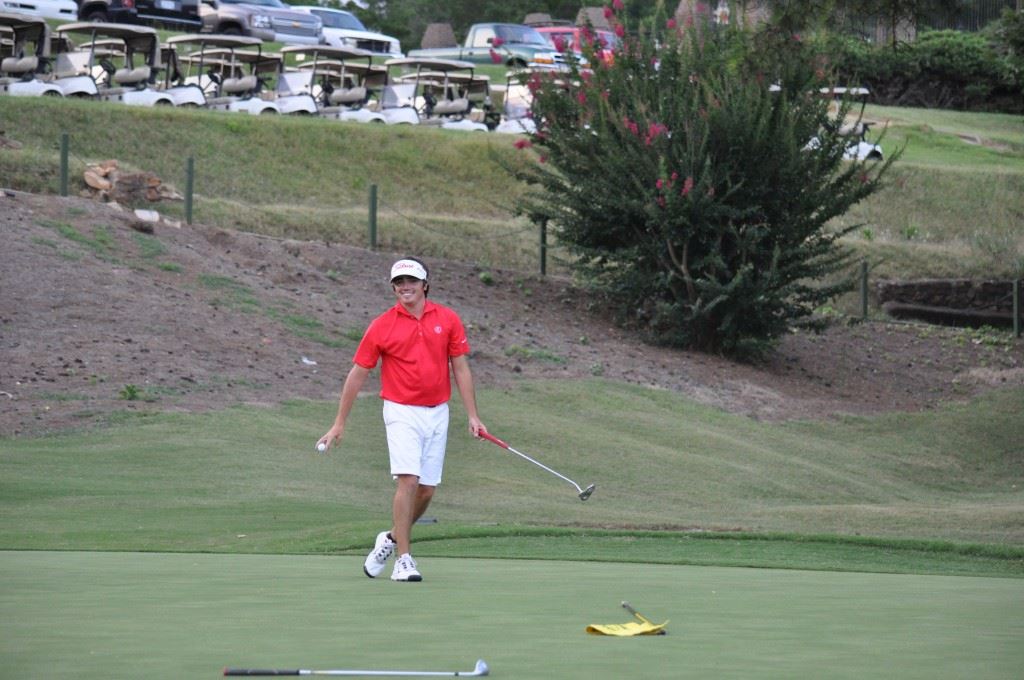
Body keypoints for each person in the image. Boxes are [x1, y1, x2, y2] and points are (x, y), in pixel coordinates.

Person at [317, 257, 486, 582]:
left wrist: (473, 415)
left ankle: (391, 538)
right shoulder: (382, 325)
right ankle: (403, 559)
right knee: (408, 481)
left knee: (426, 491)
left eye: (411, 281)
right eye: (399, 282)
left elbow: (461, 368)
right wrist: (339, 422)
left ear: (425, 284)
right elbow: (357, 374)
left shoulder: (448, 319)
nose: (404, 287)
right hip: (400, 410)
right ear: (394, 288)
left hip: (438, 411)